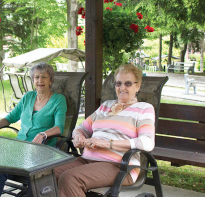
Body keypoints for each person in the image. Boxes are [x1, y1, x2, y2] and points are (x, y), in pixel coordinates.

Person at [55, 64, 155, 197]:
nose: (122, 88)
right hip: (87, 160)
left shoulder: (144, 109)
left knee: (70, 178)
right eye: (118, 83)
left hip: (119, 166)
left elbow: (147, 142)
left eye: (128, 83)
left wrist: (107, 144)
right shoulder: (106, 106)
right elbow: (81, 128)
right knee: (46, 174)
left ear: (138, 86)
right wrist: (79, 137)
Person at [0, 62, 67, 197]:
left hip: (40, 151)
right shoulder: (28, 97)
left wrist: (43, 134)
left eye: (44, 77)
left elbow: (59, 127)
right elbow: (11, 117)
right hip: (19, 148)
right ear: (33, 80)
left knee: (0, 168)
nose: (40, 80)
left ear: (51, 80)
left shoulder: (58, 100)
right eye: (36, 77)